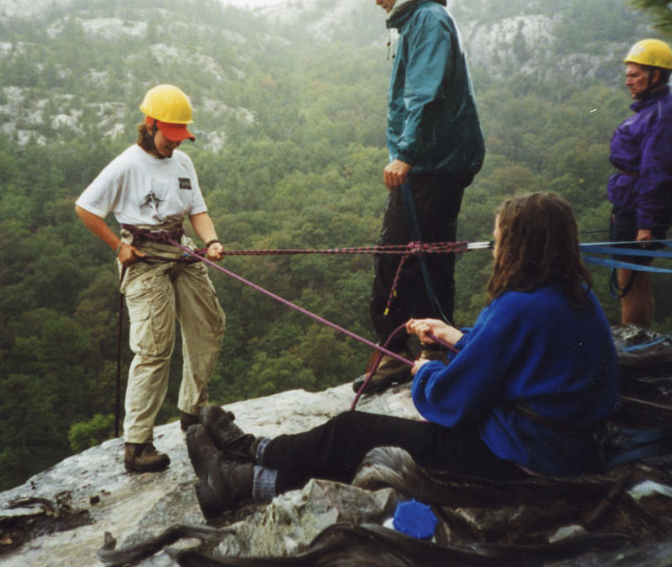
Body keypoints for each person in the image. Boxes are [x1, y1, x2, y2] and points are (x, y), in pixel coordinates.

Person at [186, 192, 620, 519]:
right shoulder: (574, 293)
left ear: (519, 246)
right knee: (366, 446)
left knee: (353, 431)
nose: (494, 246)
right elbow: (514, 354)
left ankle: (250, 452)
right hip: (564, 449)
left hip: (519, 456)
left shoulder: (519, 306)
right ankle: (242, 478)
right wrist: (453, 335)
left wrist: (426, 369)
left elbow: (449, 399)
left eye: (498, 238)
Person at [75, 83, 226, 473]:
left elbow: (198, 210)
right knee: (155, 347)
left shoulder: (183, 163)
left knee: (209, 325)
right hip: (143, 257)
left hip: (180, 249)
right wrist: (117, 246)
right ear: (149, 124)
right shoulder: (126, 164)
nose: (174, 145)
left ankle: (192, 415)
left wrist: (210, 241)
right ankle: (137, 445)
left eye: (179, 138)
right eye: (169, 137)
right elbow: (86, 207)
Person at [356, 0, 486, 394]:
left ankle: (405, 355)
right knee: (429, 255)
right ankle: (428, 350)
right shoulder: (417, 20)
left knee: (400, 257)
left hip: (431, 163)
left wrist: (405, 155)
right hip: (436, 162)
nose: (378, 1)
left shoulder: (427, 20)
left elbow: (425, 94)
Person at [609, 39, 672, 328]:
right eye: (627, 75)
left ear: (655, 75)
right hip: (633, 204)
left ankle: (632, 343)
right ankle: (640, 339)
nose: (628, 82)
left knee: (629, 282)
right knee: (637, 279)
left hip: (640, 209)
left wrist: (645, 224)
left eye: (634, 75)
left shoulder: (663, 115)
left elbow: (655, 174)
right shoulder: (657, 109)